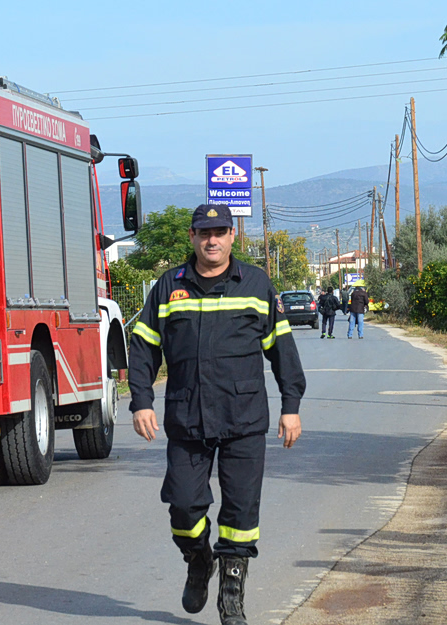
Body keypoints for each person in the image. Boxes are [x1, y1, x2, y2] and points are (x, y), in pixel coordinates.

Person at [127, 203, 306, 625]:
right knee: (184, 509)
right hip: (187, 419)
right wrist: (140, 400)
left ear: (231, 237)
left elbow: (283, 350)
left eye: (221, 231)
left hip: (243, 418)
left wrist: (291, 407)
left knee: (240, 514)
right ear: (192, 237)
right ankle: (198, 558)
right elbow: (143, 346)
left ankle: (231, 599)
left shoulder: (257, 284)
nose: (213, 239)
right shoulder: (169, 286)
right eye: (205, 232)